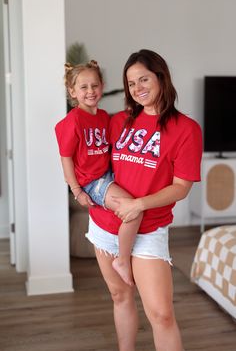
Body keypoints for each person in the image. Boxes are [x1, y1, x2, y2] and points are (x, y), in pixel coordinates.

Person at [85, 49, 203, 351]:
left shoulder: (186, 129)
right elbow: (91, 160)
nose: (137, 89)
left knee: (162, 315)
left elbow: (181, 187)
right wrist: (81, 188)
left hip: (148, 229)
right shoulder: (118, 121)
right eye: (131, 83)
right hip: (106, 225)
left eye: (143, 79)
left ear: (161, 77)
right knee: (119, 297)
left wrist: (139, 204)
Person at [55, 60, 143, 286]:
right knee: (133, 209)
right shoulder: (72, 120)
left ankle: (130, 256)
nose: (90, 91)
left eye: (94, 85)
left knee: (136, 205)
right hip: (92, 183)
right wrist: (77, 191)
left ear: (102, 86)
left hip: (108, 176)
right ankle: (123, 260)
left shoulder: (104, 117)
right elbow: (65, 159)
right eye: (83, 87)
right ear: (72, 91)